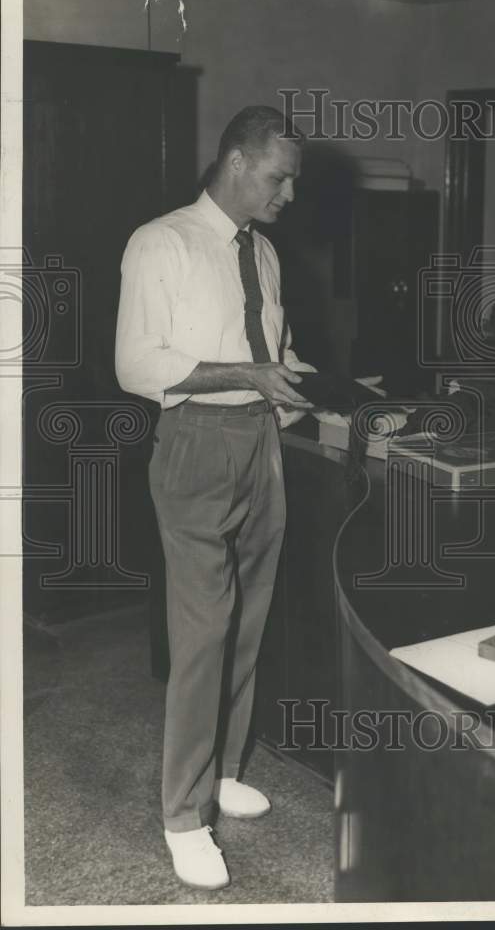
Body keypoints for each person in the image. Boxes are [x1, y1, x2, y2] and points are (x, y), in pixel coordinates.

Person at [115, 105, 316, 891]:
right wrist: (248, 378)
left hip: (260, 441)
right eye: (279, 176)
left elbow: (268, 347)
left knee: (249, 617)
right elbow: (136, 364)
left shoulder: (262, 253)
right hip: (196, 441)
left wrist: (303, 387)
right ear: (236, 162)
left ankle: (225, 769)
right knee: (201, 631)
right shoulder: (160, 242)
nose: (289, 193)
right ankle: (183, 816)